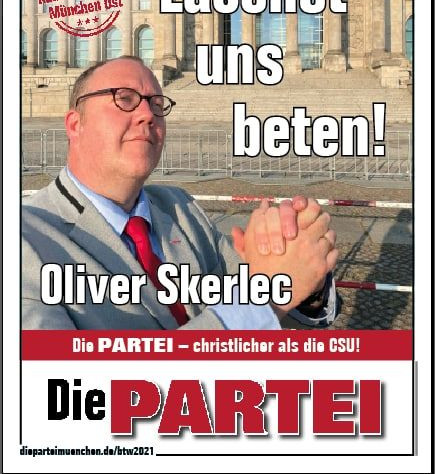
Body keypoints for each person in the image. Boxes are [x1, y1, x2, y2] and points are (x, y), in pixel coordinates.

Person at [22, 56, 338, 330]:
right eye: (125, 99)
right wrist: (264, 301)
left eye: (157, 104)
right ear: (75, 124)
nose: (148, 114)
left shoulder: (181, 207)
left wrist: (301, 269)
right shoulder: (23, 241)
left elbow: (270, 307)